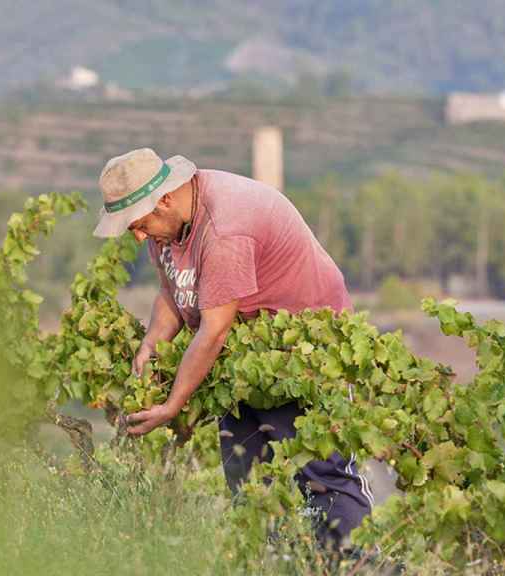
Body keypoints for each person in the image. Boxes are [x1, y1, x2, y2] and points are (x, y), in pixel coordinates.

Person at [93, 147, 373, 548]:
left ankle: (356, 566)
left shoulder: (224, 227)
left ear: (165, 198)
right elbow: (173, 291)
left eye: (138, 224)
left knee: (323, 477)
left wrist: (173, 405)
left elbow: (213, 332)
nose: (138, 236)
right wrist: (150, 346)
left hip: (307, 355)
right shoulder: (169, 224)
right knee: (248, 481)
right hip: (246, 359)